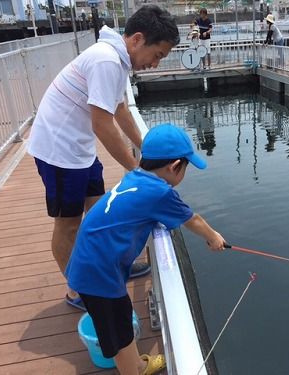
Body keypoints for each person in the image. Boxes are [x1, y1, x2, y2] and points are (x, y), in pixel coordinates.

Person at [27, 5, 180, 312]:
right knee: (68, 225)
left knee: (99, 212)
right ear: (137, 39)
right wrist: (138, 170)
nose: (155, 63)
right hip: (58, 151)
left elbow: (120, 108)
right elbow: (102, 123)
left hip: (79, 149)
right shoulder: (106, 60)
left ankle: (110, 268)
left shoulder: (119, 60)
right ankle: (77, 290)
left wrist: (147, 149)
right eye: (158, 55)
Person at [65, 123, 227, 374]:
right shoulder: (160, 193)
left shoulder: (135, 177)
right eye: (185, 168)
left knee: (121, 328)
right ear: (174, 167)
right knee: (118, 339)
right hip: (99, 276)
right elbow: (192, 220)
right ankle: (134, 370)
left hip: (90, 264)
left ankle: (138, 364)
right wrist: (213, 237)